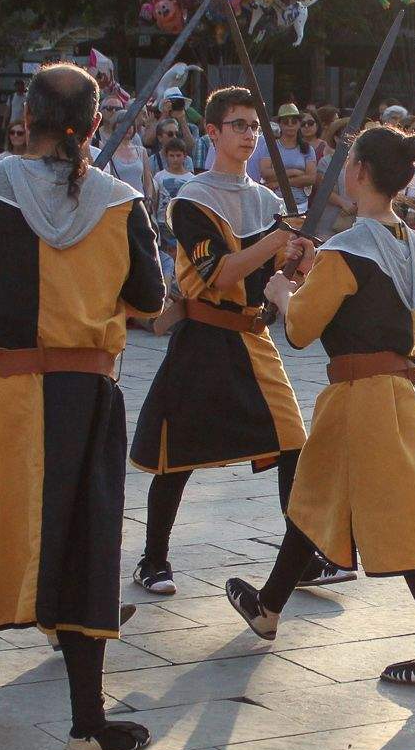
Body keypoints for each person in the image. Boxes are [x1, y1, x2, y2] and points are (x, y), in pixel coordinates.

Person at [0, 64, 165, 750]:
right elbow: (148, 298)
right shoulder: (120, 203)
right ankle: (87, 724)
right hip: (81, 399)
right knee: (84, 545)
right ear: (94, 124)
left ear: (27, 117)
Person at [222, 125, 415, 686]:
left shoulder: (346, 250)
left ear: (358, 172)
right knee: (313, 499)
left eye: (350, 160)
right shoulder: (408, 241)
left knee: (403, 519)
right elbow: (383, 311)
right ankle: (267, 606)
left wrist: (283, 290)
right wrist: (314, 272)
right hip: (394, 393)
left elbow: (301, 329)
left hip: (363, 399)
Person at [129, 85, 351, 597]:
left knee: (292, 443)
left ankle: (301, 558)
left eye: (254, 126)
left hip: (253, 338)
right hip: (203, 338)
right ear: (212, 131)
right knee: (178, 455)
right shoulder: (192, 199)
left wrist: (298, 260)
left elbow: (277, 279)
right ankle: (153, 559)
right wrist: (278, 239)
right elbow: (220, 273)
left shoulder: (268, 201)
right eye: (238, 125)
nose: (249, 135)